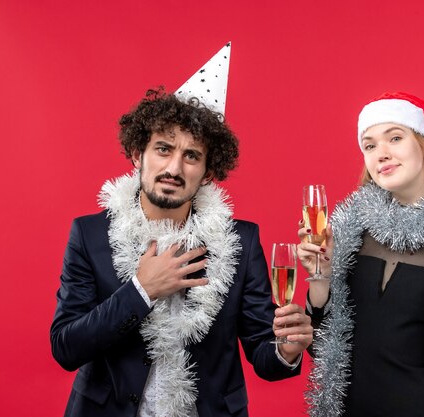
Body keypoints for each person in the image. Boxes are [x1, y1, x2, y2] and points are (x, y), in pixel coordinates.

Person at [50, 43, 313, 417]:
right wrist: (143, 290)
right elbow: (66, 348)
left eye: (191, 155)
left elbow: (262, 352)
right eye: (163, 149)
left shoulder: (241, 241)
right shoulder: (90, 236)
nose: (174, 167)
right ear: (137, 155)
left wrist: (285, 351)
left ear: (207, 172)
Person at [298, 92, 424, 417]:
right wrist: (321, 276)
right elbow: (322, 351)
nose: (381, 154)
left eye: (395, 137)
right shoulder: (350, 231)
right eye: (370, 145)